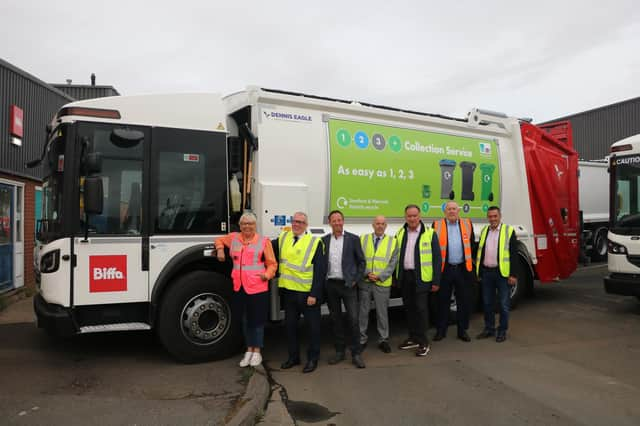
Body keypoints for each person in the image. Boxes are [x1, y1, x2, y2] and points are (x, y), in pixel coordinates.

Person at [215, 212, 277, 368]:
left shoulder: (263, 242)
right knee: (245, 320)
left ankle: (257, 351)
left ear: (255, 226)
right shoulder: (234, 238)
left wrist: (266, 275)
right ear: (240, 225)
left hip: (257, 287)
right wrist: (220, 249)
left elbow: (272, 264)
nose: (247, 226)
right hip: (239, 286)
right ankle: (248, 350)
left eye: (250, 224)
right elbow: (219, 239)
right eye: (244, 224)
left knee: (257, 321)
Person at [273, 211, 326, 373]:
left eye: (301, 222)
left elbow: (320, 272)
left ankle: (312, 359)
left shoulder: (315, 242)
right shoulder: (284, 237)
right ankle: (293, 357)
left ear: (306, 225)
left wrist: (314, 294)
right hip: (289, 293)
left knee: (313, 329)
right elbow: (265, 245)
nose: (297, 224)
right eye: (294, 221)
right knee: (290, 327)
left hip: (307, 294)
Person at [395, 204, 441, 357]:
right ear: (405, 217)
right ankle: (413, 337)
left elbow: (437, 259)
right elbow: (397, 257)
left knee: (421, 310)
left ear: (419, 217)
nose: (412, 218)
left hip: (422, 277)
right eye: (409, 216)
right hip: (406, 277)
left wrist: (436, 281)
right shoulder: (400, 233)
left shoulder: (430, 233)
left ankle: (423, 342)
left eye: (415, 216)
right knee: (409, 309)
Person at [323, 210, 366, 368]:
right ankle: (340, 352)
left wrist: (355, 280)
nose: (337, 223)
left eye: (339, 220)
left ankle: (356, 354)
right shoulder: (324, 240)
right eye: (334, 220)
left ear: (343, 221)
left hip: (348, 285)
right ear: (330, 223)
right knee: (336, 320)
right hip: (331, 285)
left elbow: (362, 262)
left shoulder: (353, 239)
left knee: (353, 320)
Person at [432, 201, 476, 342]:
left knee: (463, 302)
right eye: (449, 209)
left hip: (462, 269)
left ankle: (462, 331)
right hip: (445, 270)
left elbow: (472, 245)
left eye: (454, 209)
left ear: (458, 211)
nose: (452, 211)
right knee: (442, 302)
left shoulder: (467, 224)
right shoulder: (436, 225)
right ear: (445, 212)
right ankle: (441, 330)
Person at [475, 206, 518, 342]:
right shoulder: (484, 231)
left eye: (495, 216)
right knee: (487, 304)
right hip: (487, 273)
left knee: (504, 305)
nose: (492, 219)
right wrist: (479, 271)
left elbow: (513, 255)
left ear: (500, 217)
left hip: (502, 274)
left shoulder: (508, 231)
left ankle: (502, 331)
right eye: (490, 216)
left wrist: (513, 275)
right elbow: (480, 253)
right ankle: (489, 328)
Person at [358, 215, 398, 354]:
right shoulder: (363, 239)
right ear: (373, 225)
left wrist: (380, 276)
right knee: (363, 312)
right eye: (377, 223)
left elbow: (392, 264)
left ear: (386, 226)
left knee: (382, 313)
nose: (380, 226)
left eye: (382, 224)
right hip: (366, 281)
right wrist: (368, 273)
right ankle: (361, 339)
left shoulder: (393, 241)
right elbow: (359, 259)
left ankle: (383, 340)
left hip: (382, 283)